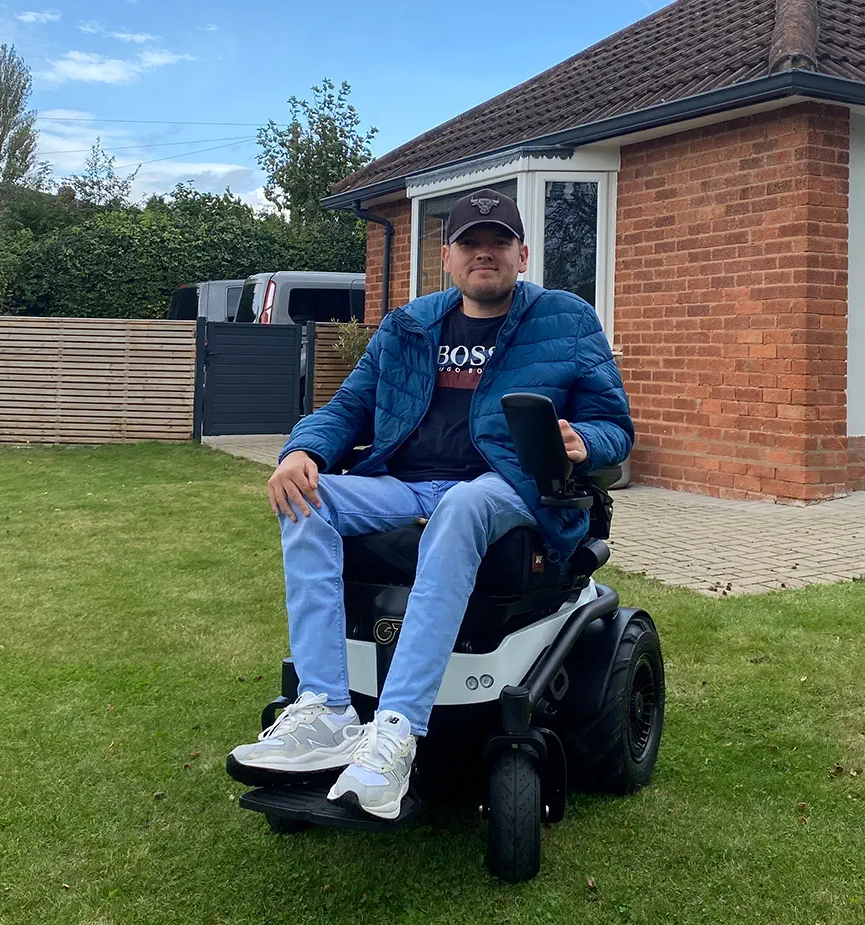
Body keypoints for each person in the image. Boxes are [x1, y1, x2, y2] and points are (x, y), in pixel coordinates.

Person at [227, 188, 634, 819]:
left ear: (522, 255)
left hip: (510, 485)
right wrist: (300, 451)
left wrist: (586, 440)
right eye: (471, 243)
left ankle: (395, 729)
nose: (484, 254)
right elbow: (346, 408)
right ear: (447, 257)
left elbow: (616, 424)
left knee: (463, 506)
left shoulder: (567, 320)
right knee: (310, 498)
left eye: (498, 242)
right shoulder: (409, 326)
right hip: (407, 483)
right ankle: (327, 711)